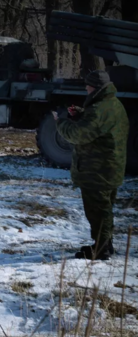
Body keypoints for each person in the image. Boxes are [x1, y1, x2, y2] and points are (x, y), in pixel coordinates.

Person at [53, 70, 129, 261]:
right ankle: (105, 243)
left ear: (95, 88)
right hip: (109, 167)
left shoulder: (99, 110)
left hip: (97, 170)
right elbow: (97, 126)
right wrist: (81, 114)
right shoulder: (111, 104)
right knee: (104, 207)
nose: (86, 88)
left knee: (97, 210)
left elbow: (78, 135)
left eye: (88, 85)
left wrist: (60, 122)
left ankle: (101, 249)